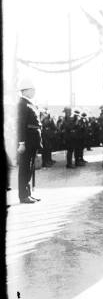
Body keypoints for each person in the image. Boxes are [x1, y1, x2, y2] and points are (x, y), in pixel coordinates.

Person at [16, 76, 43, 204]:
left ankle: (28, 194)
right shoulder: (22, 104)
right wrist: (21, 143)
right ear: (25, 90)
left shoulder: (29, 103)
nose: (34, 92)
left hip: (32, 141)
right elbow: (20, 124)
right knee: (25, 168)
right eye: (32, 90)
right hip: (27, 141)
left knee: (30, 168)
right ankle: (23, 195)